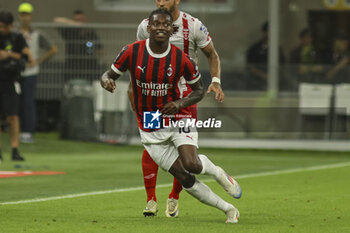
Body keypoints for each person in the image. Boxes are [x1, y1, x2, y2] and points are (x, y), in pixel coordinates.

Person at [101, 8, 241, 223]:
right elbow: (107, 75)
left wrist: (179, 103)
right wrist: (107, 81)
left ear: (171, 29)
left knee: (192, 164)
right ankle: (228, 208)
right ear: (148, 28)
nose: (160, 28)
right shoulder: (131, 51)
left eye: (165, 25)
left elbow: (198, 91)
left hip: (177, 117)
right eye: (156, 24)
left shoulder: (181, 59)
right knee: (184, 177)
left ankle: (217, 173)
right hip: (149, 124)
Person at [132, 0, 225, 218]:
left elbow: (212, 54)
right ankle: (151, 200)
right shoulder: (146, 25)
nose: (161, 2)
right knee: (152, 146)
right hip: (156, 97)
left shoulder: (193, 25)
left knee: (185, 153)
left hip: (185, 98)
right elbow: (139, 56)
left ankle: (174, 196)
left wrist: (216, 80)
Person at [17, 2, 58, 143]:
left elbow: (53, 49)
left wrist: (38, 61)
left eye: (27, 14)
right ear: (19, 16)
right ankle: (17, 130)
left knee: (28, 102)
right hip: (15, 72)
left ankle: (28, 131)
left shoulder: (37, 34)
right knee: (15, 103)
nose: (24, 17)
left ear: (31, 16)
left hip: (30, 72)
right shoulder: (15, 33)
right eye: (22, 14)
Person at [0, 11, 33, 162]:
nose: (1, 29)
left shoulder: (17, 37)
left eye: (4, 27)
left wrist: (8, 55)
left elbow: (27, 56)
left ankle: (15, 150)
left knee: (12, 116)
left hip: (10, 80)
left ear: (11, 26)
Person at [53, 10, 102, 83]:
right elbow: (56, 20)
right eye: (76, 20)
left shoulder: (91, 33)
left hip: (89, 68)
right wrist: (74, 24)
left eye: (80, 20)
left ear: (85, 20)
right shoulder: (70, 32)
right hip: (72, 68)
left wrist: (91, 50)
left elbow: (100, 50)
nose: (79, 23)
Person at [246, 21, 285, 90]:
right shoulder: (254, 49)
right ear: (264, 33)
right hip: (256, 84)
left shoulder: (278, 49)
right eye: (268, 32)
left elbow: (282, 66)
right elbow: (250, 67)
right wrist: (265, 76)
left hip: (276, 85)